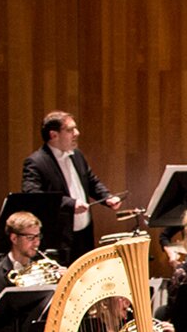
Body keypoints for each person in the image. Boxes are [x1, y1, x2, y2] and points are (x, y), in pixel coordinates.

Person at [21, 110, 123, 261]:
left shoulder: (77, 155)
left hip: (84, 233)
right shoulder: (36, 162)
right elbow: (33, 194)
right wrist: (70, 204)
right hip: (59, 238)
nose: (77, 133)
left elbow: (91, 180)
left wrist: (106, 196)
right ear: (53, 135)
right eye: (70, 130)